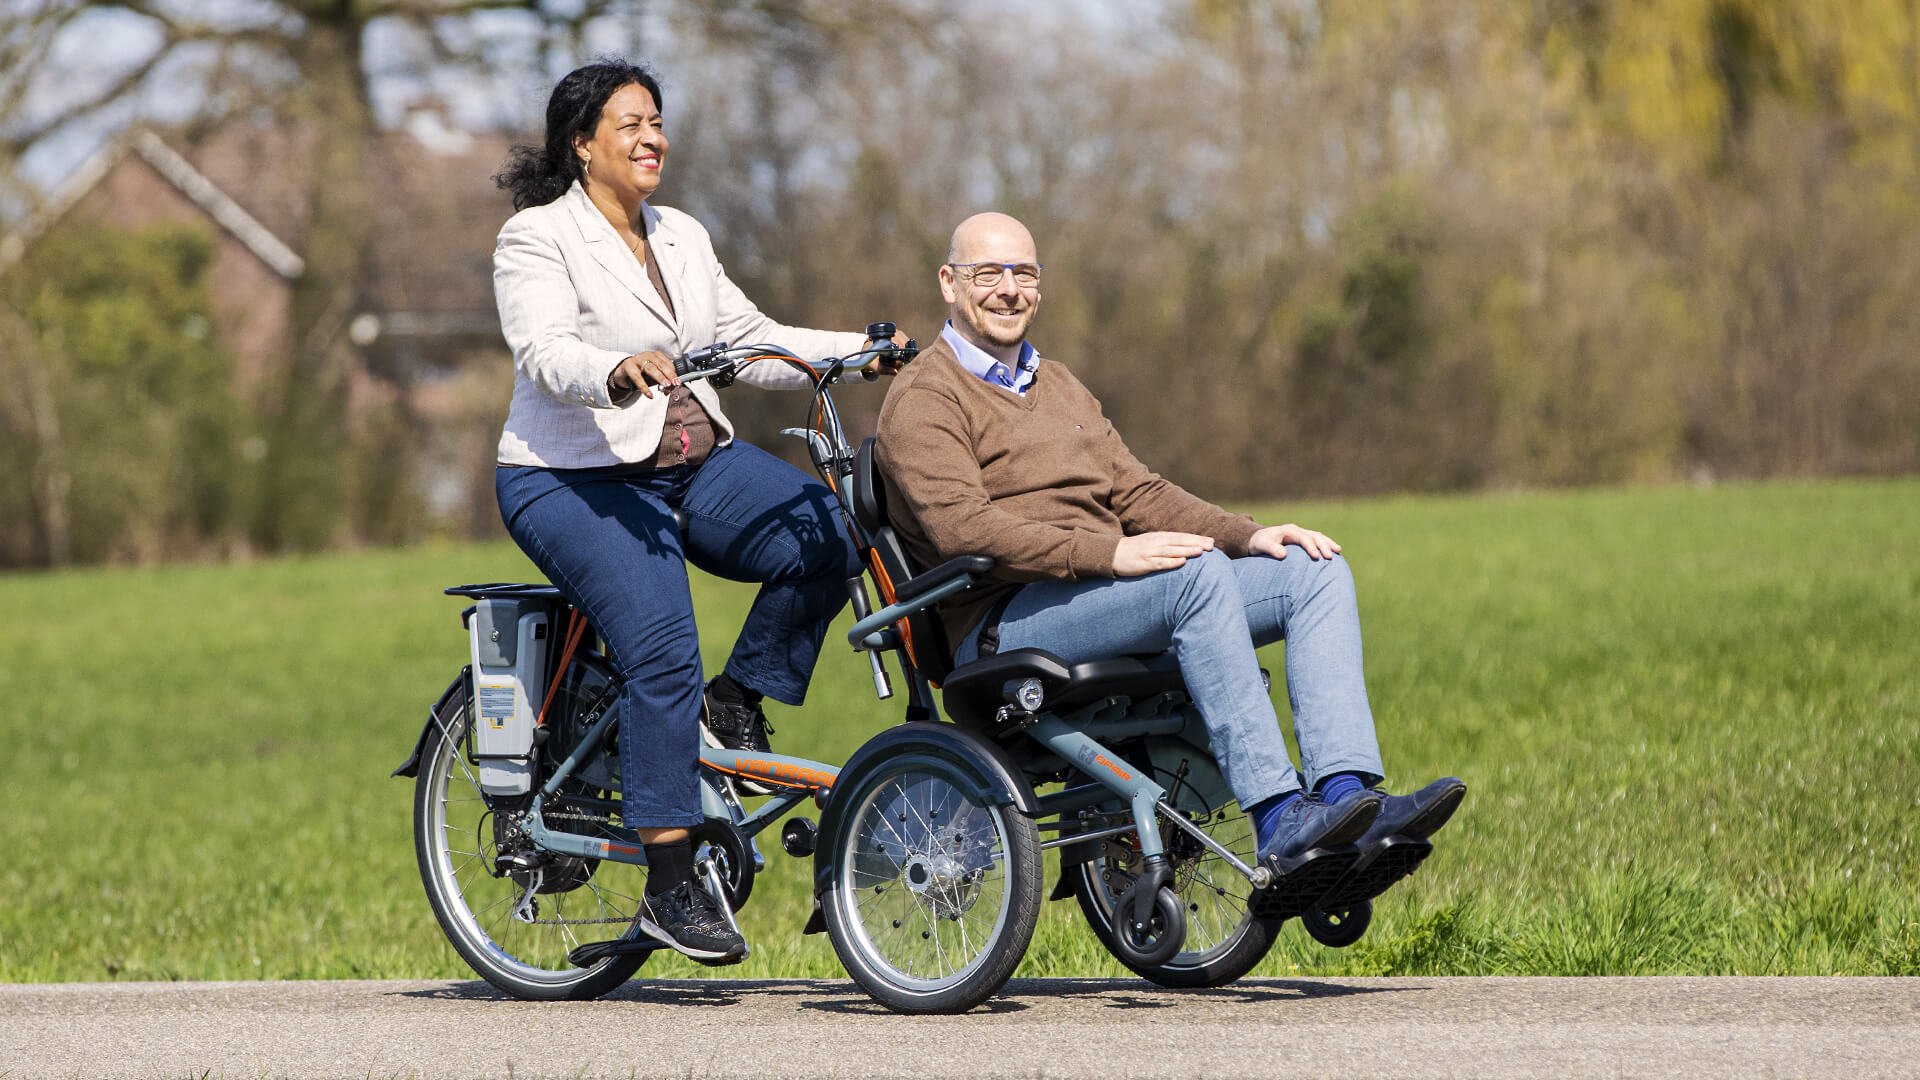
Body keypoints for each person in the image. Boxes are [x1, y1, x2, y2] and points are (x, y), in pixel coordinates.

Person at [875, 212, 1466, 916]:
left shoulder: (1060, 385)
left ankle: (1347, 802)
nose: (1008, 290)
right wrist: (1110, 553)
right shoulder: (923, 397)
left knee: (1314, 569)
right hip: (1004, 621)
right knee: (1192, 577)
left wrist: (1248, 536)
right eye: (987, 273)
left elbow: (1139, 492)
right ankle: (1279, 816)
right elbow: (959, 527)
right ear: (949, 283)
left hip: (1105, 596)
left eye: (1024, 273)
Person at [490, 59, 905, 963]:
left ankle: (736, 699)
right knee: (661, 645)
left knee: (831, 531)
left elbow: (750, 340)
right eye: (631, 124)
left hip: (689, 464)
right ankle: (670, 886)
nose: (652, 139)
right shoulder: (537, 238)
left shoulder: (680, 235)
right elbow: (543, 349)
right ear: (582, 144)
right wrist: (613, 369)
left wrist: (857, 353)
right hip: (575, 477)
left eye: (658, 122)